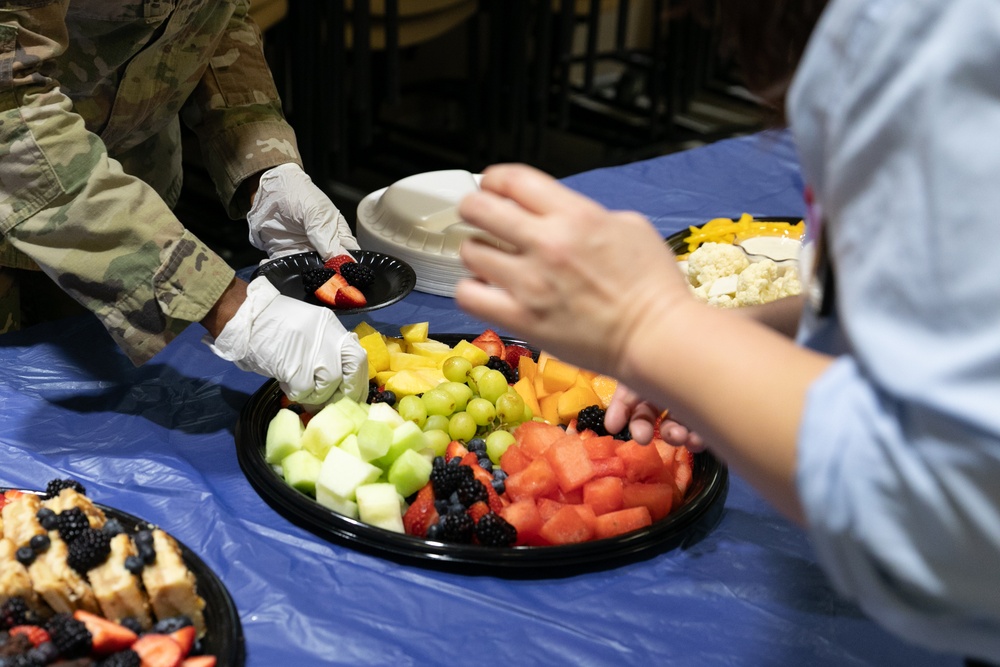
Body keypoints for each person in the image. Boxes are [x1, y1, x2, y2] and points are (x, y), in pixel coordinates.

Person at [455, 0, 1000, 663]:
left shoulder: (939, 34)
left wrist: (653, 326)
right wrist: (742, 342)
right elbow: (934, 288)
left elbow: (953, 504)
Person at [0, 2, 367, 407]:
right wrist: (228, 305)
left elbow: (214, 16)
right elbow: (10, 111)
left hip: (134, 208)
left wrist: (266, 164)